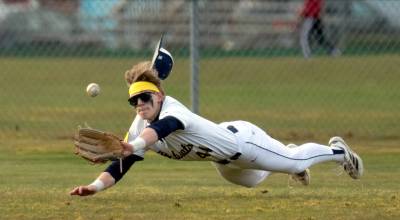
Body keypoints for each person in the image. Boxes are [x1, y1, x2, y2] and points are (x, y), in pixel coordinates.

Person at [70, 60, 363, 197]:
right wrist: (94, 187)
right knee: (254, 181)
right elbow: (121, 165)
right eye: (133, 101)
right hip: (222, 162)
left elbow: (162, 130)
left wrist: (132, 146)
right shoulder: (137, 128)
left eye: (144, 98)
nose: (139, 105)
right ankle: (285, 155)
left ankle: (339, 152)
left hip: (243, 142)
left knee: (295, 162)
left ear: (158, 96)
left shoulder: (173, 110)